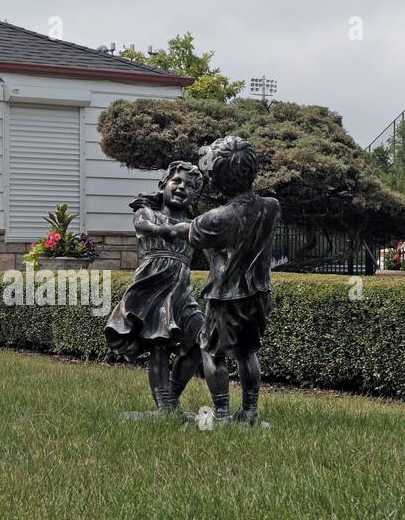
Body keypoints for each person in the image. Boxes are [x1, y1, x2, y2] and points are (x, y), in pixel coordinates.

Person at [189, 136, 281, 424]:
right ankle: (251, 412)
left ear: (217, 178)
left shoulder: (214, 218)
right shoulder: (272, 206)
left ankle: (222, 414)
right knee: (247, 352)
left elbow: (189, 233)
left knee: (211, 351)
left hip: (225, 296)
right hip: (258, 294)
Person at [105, 161, 205, 413]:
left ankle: (172, 396)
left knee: (201, 340)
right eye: (177, 181)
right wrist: (168, 229)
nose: (182, 187)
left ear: (195, 195)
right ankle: (164, 406)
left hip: (181, 292)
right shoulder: (148, 213)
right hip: (154, 287)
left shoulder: (194, 225)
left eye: (190, 186)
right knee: (159, 345)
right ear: (163, 185)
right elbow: (143, 226)